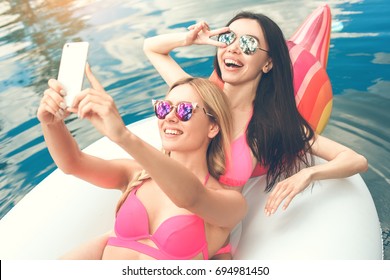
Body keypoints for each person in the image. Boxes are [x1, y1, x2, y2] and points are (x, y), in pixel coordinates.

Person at [143, 11, 368, 257]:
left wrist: (308, 174)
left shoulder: (269, 125)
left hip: (208, 245)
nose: (234, 49)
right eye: (229, 39)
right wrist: (191, 40)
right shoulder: (197, 100)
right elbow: (151, 48)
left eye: (249, 44)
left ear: (268, 63)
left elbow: (355, 160)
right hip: (154, 222)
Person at [37, 64, 247, 260]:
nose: (170, 117)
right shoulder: (136, 174)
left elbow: (191, 198)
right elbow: (72, 163)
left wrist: (123, 136)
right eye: (164, 108)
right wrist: (51, 123)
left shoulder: (229, 202)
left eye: (185, 110)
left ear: (213, 126)